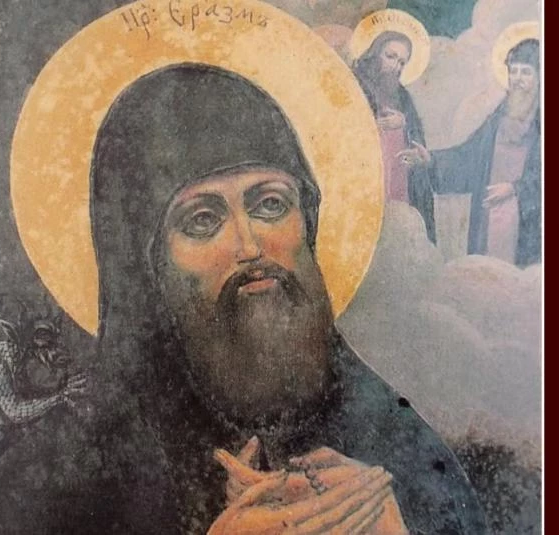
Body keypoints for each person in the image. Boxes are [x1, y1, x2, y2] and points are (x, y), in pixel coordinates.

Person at [86, 63, 487, 534]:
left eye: (270, 205)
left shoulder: (389, 435)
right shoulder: (93, 461)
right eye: (202, 220)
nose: (249, 246)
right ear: (147, 267)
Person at [429, 39, 541, 266]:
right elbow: (468, 155)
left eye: (526, 72)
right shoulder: (500, 115)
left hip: (525, 220)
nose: (517, 79)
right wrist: (430, 160)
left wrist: (514, 188)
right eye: (513, 71)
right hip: (489, 213)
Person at [353, 31, 436, 243]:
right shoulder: (353, 85)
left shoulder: (403, 96)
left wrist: (404, 124)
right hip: (366, 181)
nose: (396, 67)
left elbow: (416, 139)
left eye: (402, 62)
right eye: (390, 57)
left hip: (398, 181)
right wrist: (372, 126)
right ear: (374, 53)